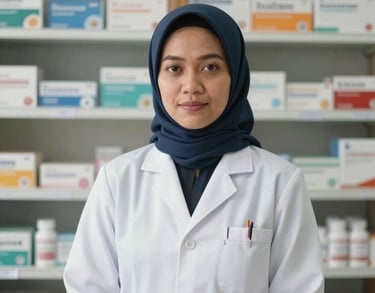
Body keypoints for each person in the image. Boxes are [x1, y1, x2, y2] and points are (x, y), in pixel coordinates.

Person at [63, 4, 324, 293]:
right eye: (174, 68)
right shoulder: (117, 179)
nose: (191, 85)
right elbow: (88, 285)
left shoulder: (280, 182)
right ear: (156, 77)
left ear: (235, 77)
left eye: (210, 67)